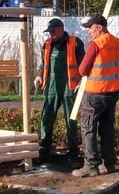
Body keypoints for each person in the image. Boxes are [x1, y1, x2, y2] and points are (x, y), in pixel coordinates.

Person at [72, 14, 119, 177]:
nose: (89, 32)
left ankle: (91, 166)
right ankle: (109, 163)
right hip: (113, 93)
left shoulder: (95, 44)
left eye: (91, 28)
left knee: (88, 128)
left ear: (99, 27)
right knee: (108, 128)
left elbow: (82, 70)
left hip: (95, 93)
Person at [34, 17, 85, 165]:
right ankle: (44, 152)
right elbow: (43, 64)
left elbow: (83, 65)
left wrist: (81, 81)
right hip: (51, 87)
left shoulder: (75, 43)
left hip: (70, 88)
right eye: (49, 32)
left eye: (53, 31)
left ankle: (74, 154)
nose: (51, 34)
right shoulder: (47, 44)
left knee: (71, 121)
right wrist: (38, 75)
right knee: (46, 119)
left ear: (61, 29)